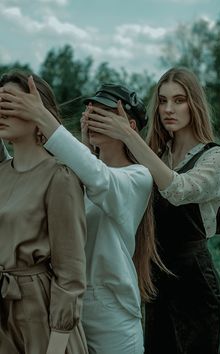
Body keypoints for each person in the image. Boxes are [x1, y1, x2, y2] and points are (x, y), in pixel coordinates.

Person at [0, 80, 169, 354]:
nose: (92, 117)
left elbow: (99, 178)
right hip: (57, 303)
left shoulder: (138, 177)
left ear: (130, 127)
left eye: (104, 113)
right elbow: (21, 170)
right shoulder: (70, 172)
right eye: (90, 111)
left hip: (109, 313)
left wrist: (40, 114)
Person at [73, 67, 220, 354]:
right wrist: (90, 139)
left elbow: (179, 189)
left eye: (179, 100)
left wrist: (129, 135)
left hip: (194, 279)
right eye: (162, 100)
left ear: (194, 104)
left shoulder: (216, 156)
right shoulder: (154, 153)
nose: (168, 109)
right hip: (154, 275)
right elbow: (107, 179)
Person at [0, 71, 88, 354]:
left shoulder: (59, 176)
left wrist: (57, 345)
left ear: (38, 112)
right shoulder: (1, 172)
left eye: (10, 104)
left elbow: (71, 273)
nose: (2, 112)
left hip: (38, 312)